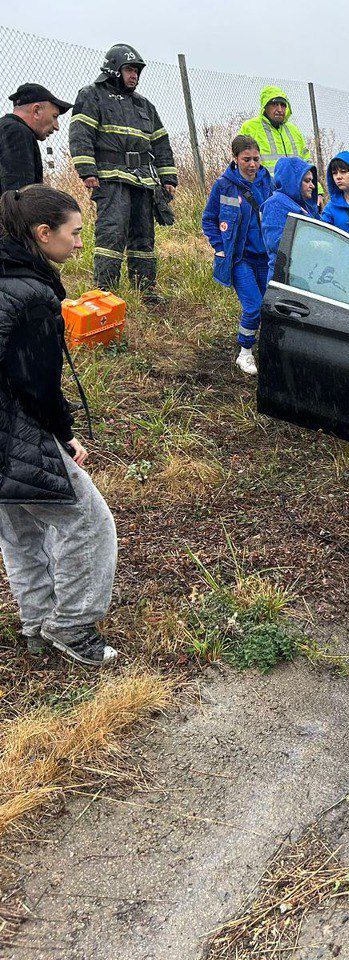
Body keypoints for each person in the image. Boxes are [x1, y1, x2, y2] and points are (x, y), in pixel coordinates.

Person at [0, 186, 118, 667]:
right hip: (13, 430)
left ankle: (36, 624)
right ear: (42, 233)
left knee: (20, 527)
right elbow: (36, 381)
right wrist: (64, 434)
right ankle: (71, 626)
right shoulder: (32, 295)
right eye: (74, 233)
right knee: (89, 524)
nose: (79, 244)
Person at [69, 43, 177, 303]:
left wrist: (168, 178)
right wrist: (87, 171)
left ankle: (146, 291)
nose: (134, 75)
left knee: (144, 236)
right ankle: (104, 294)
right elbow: (80, 135)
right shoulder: (91, 95)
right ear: (113, 70)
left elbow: (161, 142)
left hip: (143, 180)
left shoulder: (145, 105)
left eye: (137, 71)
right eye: (129, 69)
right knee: (112, 234)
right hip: (110, 178)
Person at [202, 135, 275, 376]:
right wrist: (219, 246)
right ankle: (244, 352)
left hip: (265, 257)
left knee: (269, 306)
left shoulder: (268, 182)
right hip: (240, 258)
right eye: (246, 159)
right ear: (235, 159)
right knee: (253, 305)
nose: (252, 164)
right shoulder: (224, 185)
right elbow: (209, 219)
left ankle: (269, 348)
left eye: (256, 159)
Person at [0, 84, 72, 193]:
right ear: (36, 111)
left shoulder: (7, 128)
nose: (57, 126)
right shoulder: (17, 132)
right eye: (54, 116)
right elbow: (18, 194)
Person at [239, 87, 316, 185]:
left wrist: (317, 190)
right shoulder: (250, 127)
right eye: (275, 104)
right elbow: (242, 162)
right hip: (264, 192)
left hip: (296, 192)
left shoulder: (294, 130)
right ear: (265, 106)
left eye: (283, 105)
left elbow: (307, 162)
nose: (280, 109)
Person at [261, 156, 319, 285]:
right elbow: (277, 243)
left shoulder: (304, 206)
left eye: (312, 181)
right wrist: (315, 244)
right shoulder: (275, 204)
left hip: (304, 276)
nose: (312, 186)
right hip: (285, 279)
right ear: (293, 181)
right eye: (307, 181)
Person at [319, 151, 349, 236]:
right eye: (334, 173)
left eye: (343, 171)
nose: (338, 177)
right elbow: (322, 236)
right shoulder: (331, 208)